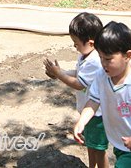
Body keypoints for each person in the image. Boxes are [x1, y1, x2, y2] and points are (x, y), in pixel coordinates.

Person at [74, 21, 131, 167]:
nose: (103, 63)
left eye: (108, 59)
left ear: (127, 55)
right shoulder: (102, 76)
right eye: (101, 57)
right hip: (120, 141)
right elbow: (93, 101)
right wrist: (82, 121)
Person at [44, 13, 108, 168]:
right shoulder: (85, 56)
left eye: (76, 43)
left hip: (97, 115)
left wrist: (59, 74)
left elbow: (79, 83)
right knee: (91, 146)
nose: (74, 46)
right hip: (87, 112)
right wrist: (59, 73)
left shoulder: (95, 61)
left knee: (100, 150)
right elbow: (78, 73)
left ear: (91, 43)